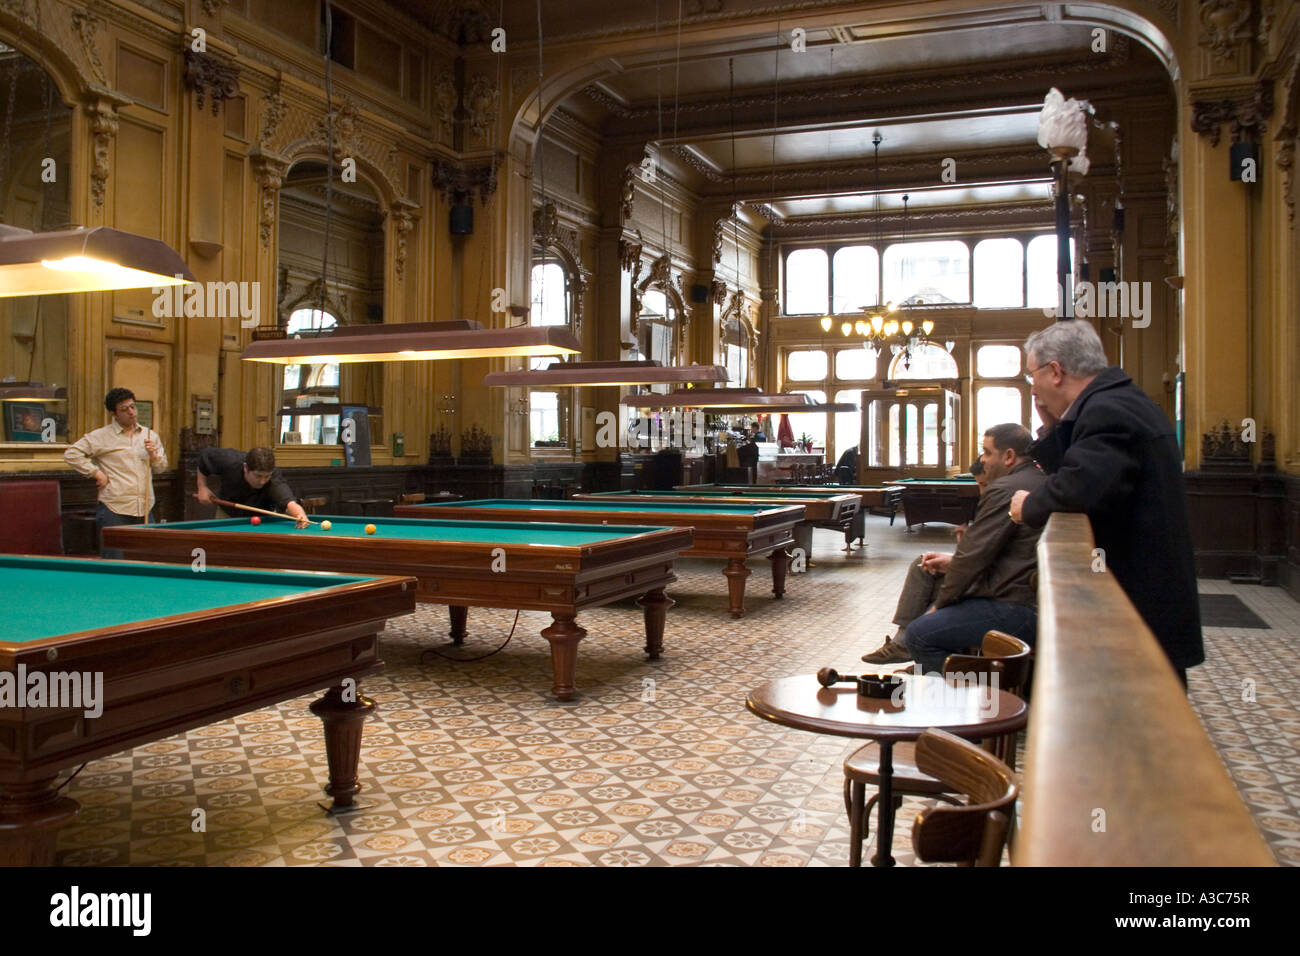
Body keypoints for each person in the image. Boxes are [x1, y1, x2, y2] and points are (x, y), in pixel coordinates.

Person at [1008, 320, 1203, 681]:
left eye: (1031, 375)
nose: (1031, 386)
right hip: (1141, 599)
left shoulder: (1107, 410)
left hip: (1140, 600)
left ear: (1055, 371)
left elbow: (1080, 486)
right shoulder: (1116, 400)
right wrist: (1052, 423)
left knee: (1143, 720)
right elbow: (1078, 466)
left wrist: (1029, 505)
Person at [861, 425, 1045, 675]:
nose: (982, 459)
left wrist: (941, 605)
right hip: (1022, 594)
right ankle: (920, 665)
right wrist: (952, 563)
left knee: (921, 634)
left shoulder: (1004, 489)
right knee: (927, 577)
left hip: (1016, 606)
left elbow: (972, 558)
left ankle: (963, 697)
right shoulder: (1036, 480)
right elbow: (991, 551)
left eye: (987, 452)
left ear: (1009, 456)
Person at [860, 458, 988, 662]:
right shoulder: (999, 501)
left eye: (984, 485)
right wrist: (957, 556)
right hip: (981, 571)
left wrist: (958, 561)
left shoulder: (1005, 501)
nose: (982, 491)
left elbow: (989, 563)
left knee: (933, 587)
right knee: (923, 564)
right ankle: (905, 643)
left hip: (993, 585)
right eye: (980, 485)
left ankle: (917, 651)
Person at [64, 388, 168, 559]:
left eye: (133, 407)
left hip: (145, 509)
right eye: (124, 409)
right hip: (115, 510)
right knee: (115, 561)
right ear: (114, 413)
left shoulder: (149, 435)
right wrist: (96, 473)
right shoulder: (101, 436)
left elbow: (161, 468)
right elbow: (71, 454)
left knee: (147, 561)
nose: (131, 413)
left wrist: (154, 456)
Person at [195, 446, 310, 528]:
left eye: (266, 476)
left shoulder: (274, 479)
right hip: (227, 515)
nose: (262, 481)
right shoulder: (228, 460)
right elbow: (204, 457)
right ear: (245, 468)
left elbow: (289, 503)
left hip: (263, 520)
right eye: (258, 476)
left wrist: (300, 515)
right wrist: (202, 487)